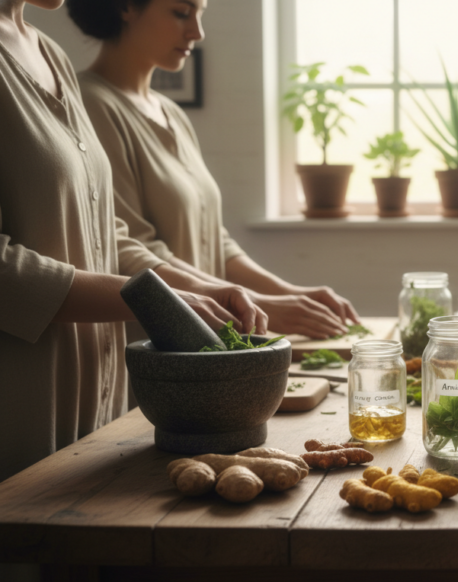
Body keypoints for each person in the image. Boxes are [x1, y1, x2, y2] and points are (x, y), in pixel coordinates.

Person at [0, 0, 266, 483]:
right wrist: (152, 301)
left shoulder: (50, 53)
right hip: (23, 405)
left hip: (102, 405)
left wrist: (191, 294)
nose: (197, 31)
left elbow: (107, 233)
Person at [67, 0, 359, 340]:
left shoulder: (171, 113)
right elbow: (130, 247)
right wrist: (256, 302)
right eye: (181, 12)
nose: (197, 32)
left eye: (200, 15)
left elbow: (213, 239)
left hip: (205, 346)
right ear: (126, 7)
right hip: (153, 350)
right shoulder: (90, 104)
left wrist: (287, 293)